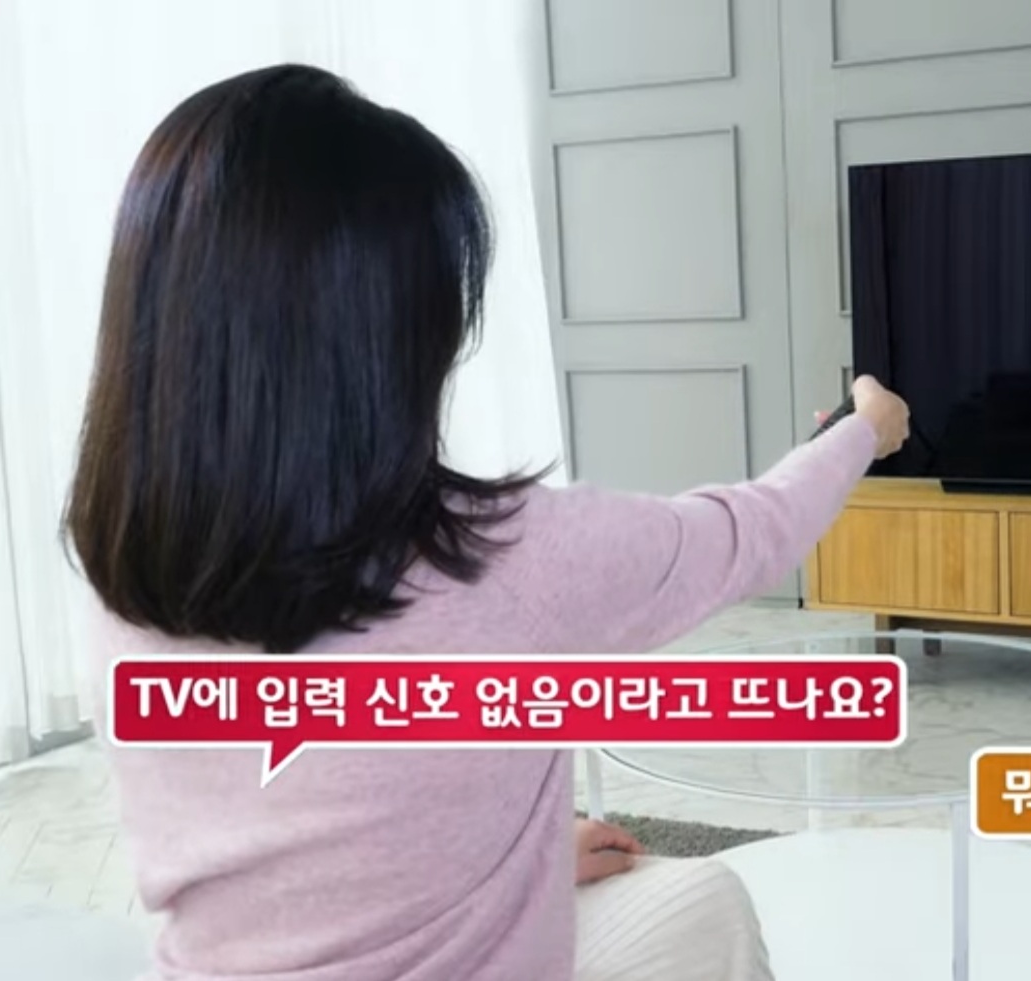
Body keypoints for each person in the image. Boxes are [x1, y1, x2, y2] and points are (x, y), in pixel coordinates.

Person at [65, 63, 910, 981]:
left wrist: (522, 858)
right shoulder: (511, 560)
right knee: (706, 902)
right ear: (386, 343)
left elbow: (308, 831)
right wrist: (864, 428)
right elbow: (751, 531)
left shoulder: (126, 576)